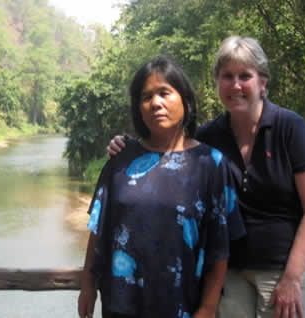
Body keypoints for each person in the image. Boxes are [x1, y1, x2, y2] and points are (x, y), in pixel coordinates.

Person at [106, 36, 305, 318]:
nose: (235, 85)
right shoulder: (209, 138)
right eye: (227, 77)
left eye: (244, 76)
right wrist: (125, 148)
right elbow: (167, 149)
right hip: (232, 275)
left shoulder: (291, 128)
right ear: (217, 84)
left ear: (263, 83)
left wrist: (292, 278)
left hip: (293, 272)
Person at [78, 56, 245, 318]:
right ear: (139, 109)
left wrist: (208, 306)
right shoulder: (120, 161)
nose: (156, 103)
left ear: (185, 101)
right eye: (146, 97)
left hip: (183, 306)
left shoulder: (210, 164)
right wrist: (87, 284)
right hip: (121, 305)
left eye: (165, 93)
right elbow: (98, 229)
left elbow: (220, 247)